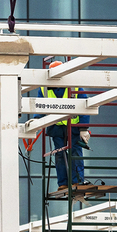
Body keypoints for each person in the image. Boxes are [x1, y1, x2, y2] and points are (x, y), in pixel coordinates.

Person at [36, 62, 91, 190]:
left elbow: (86, 106)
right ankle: (63, 183)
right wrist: (36, 120)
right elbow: (40, 107)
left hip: (73, 127)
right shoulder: (44, 89)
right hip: (56, 128)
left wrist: (83, 128)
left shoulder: (75, 87)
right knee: (60, 154)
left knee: (75, 152)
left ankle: (76, 181)